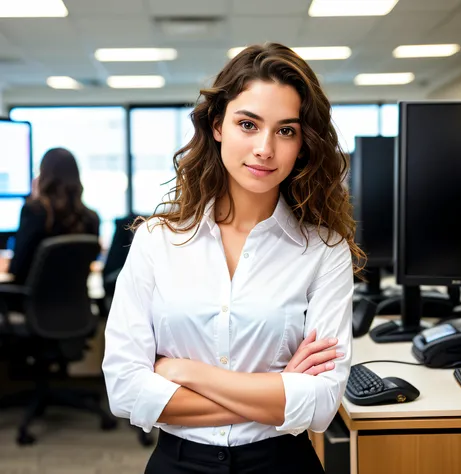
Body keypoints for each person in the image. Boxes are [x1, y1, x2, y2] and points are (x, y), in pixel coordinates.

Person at [102, 42, 365, 474]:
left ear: (303, 143)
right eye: (248, 124)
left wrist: (184, 371)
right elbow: (126, 391)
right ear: (218, 124)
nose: (265, 148)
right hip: (179, 463)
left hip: (282, 465)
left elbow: (319, 405)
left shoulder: (324, 250)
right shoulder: (156, 240)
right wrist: (277, 393)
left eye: (285, 130)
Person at [8, 147, 100, 285]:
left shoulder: (34, 211)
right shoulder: (91, 218)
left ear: (44, 176)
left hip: (33, 304)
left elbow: (17, 269)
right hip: (77, 304)